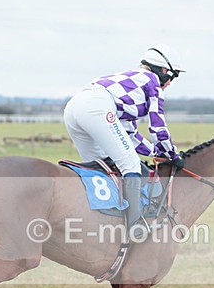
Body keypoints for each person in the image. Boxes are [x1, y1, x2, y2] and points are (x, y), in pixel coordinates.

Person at [63, 43, 185, 240]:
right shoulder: (152, 81)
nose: (170, 82)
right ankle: (136, 225)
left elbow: (130, 135)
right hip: (96, 107)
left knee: (103, 166)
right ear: (163, 70)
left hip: (74, 108)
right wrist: (172, 154)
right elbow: (158, 125)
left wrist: (156, 152)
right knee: (130, 164)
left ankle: (97, 219)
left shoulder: (133, 82)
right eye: (173, 75)